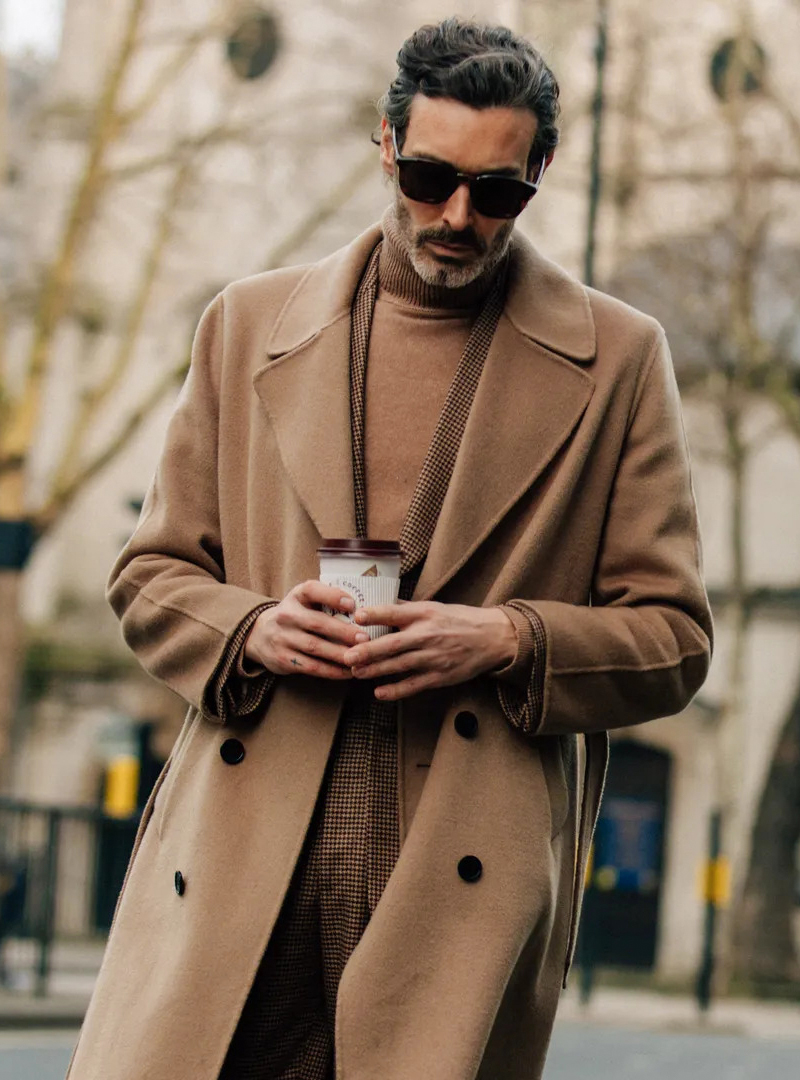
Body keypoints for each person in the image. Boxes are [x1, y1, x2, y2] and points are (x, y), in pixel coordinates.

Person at [67, 16, 713, 1080]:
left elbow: (674, 638)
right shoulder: (247, 323)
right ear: (382, 143)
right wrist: (253, 628)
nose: (456, 215)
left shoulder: (620, 359)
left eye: (496, 191)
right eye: (427, 175)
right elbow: (149, 576)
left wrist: (506, 640)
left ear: (540, 172)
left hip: (453, 873)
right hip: (244, 852)